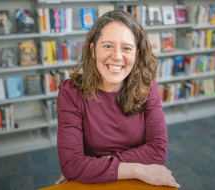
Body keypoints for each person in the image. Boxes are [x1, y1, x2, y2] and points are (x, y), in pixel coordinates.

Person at [55, 9, 180, 189]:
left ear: (136, 53)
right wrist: (137, 169)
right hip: (97, 184)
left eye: (126, 48)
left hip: (114, 179)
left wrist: (96, 164)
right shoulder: (71, 92)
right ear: (93, 50)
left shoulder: (147, 85)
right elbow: (72, 166)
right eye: (107, 46)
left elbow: (158, 151)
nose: (117, 56)